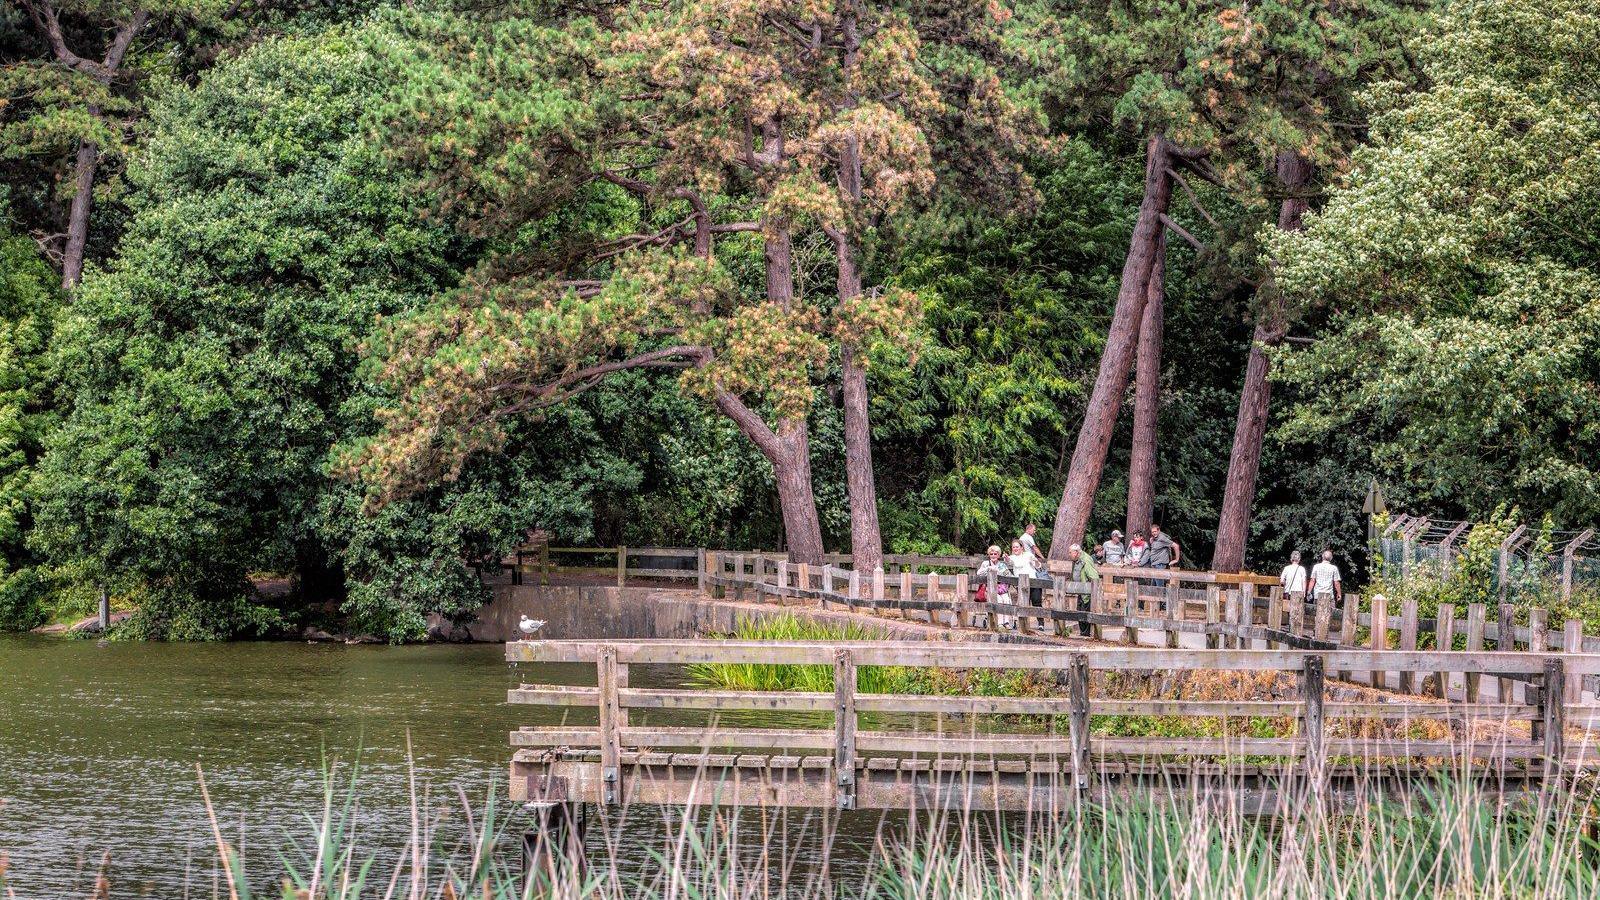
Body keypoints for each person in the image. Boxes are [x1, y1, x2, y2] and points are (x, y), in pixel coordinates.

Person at [1068, 543, 1099, 637]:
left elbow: (1093, 576)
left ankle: (1086, 634)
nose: (1069, 554)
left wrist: (1091, 590)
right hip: (1080, 590)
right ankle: (1083, 633)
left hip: (1087, 591)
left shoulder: (1086, 560)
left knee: (1085, 613)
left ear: (1076, 552)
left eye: (1070, 552)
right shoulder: (1076, 560)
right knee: (1080, 612)